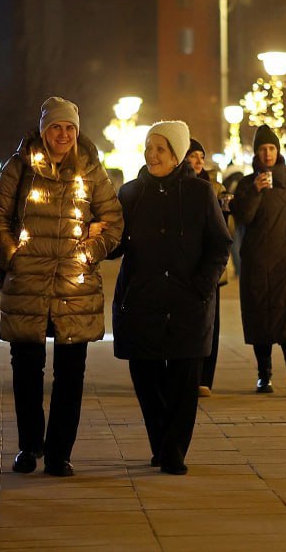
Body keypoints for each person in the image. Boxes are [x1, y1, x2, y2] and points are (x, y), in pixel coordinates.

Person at [0, 96, 123, 477]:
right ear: (44, 130)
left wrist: (90, 251)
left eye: (69, 128)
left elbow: (113, 220)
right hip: (28, 283)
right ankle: (29, 446)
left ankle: (59, 452)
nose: (63, 135)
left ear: (77, 131)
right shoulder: (20, 166)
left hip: (74, 286)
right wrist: (12, 253)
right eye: (56, 127)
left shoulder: (91, 170)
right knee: (26, 370)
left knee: (71, 372)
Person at [111, 122, 230, 475]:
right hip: (141, 302)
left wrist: (201, 287)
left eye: (160, 148)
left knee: (182, 382)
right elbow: (117, 245)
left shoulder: (199, 192)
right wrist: (96, 235)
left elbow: (219, 244)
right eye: (149, 147)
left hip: (186, 304)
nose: (152, 154)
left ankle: (173, 449)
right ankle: (161, 442)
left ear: (177, 154)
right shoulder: (131, 194)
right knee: (146, 379)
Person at [233, 125, 286, 394]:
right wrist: (255, 191)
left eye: (271, 148)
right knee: (261, 318)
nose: (267, 154)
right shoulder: (245, 184)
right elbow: (243, 219)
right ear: (256, 153)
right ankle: (264, 374)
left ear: (278, 151)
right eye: (262, 149)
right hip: (258, 262)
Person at [185, 138, 230, 397]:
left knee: (211, 323)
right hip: (187, 263)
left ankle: (205, 379)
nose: (199, 160)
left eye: (201, 155)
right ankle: (188, 374)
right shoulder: (181, 185)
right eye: (193, 155)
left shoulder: (217, 187)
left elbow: (227, 233)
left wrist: (226, 213)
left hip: (212, 267)